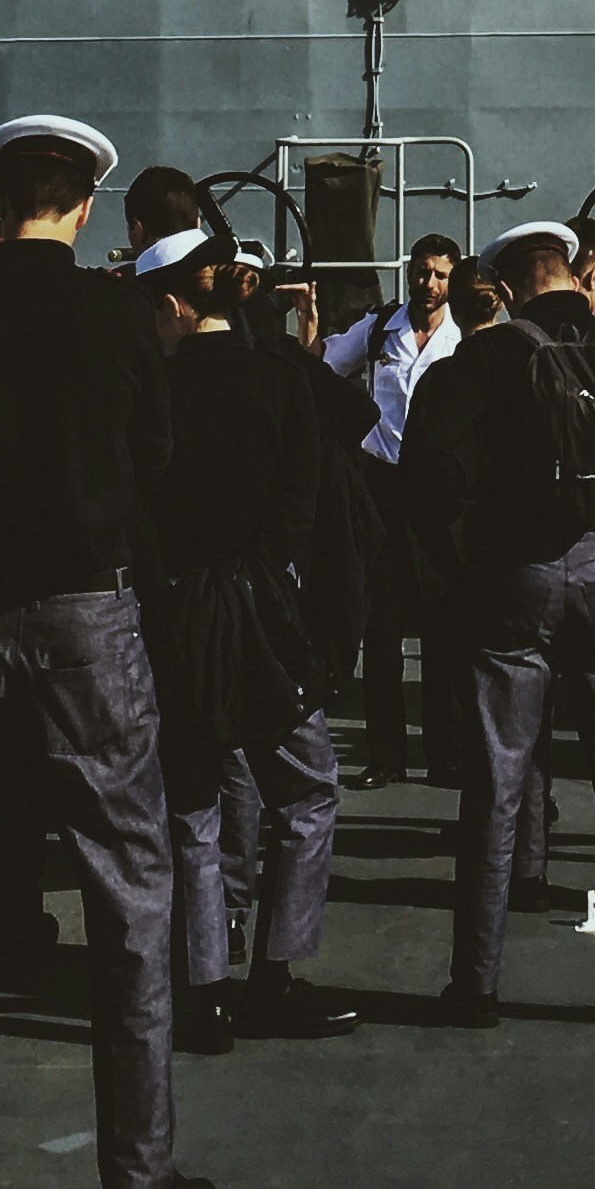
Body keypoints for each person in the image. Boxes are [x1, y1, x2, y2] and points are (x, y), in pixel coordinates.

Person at [0, 116, 217, 1189]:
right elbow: (156, 459)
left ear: (2, 191)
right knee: (130, 890)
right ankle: (138, 1184)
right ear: (85, 206)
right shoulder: (119, 316)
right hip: (90, 616)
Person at [398, 219, 595, 1026]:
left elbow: (429, 465)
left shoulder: (488, 355)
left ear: (507, 287)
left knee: (498, 779)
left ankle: (475, 985)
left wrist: (467, 536)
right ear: (575, 275)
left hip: (514, 572)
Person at [137, 228, 363, 1054]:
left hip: (175, 614)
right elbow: (299, 518)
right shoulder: (280, 381)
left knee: (192, 804)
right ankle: (275, 975)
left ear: (171, 301)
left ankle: (204, 995)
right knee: (306, 789)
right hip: (262, 613)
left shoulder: (155, 387)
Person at [323, 234, 462, 783]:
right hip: (381, 488)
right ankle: (385, 757)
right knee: (379, 629)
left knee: (441, 627)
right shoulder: (382, 328)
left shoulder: (461, 337)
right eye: (422, 273)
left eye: (440, 275)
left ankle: (444, 753)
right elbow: (328, 367)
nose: (429, 285)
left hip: (433, 490)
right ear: (409, 272)